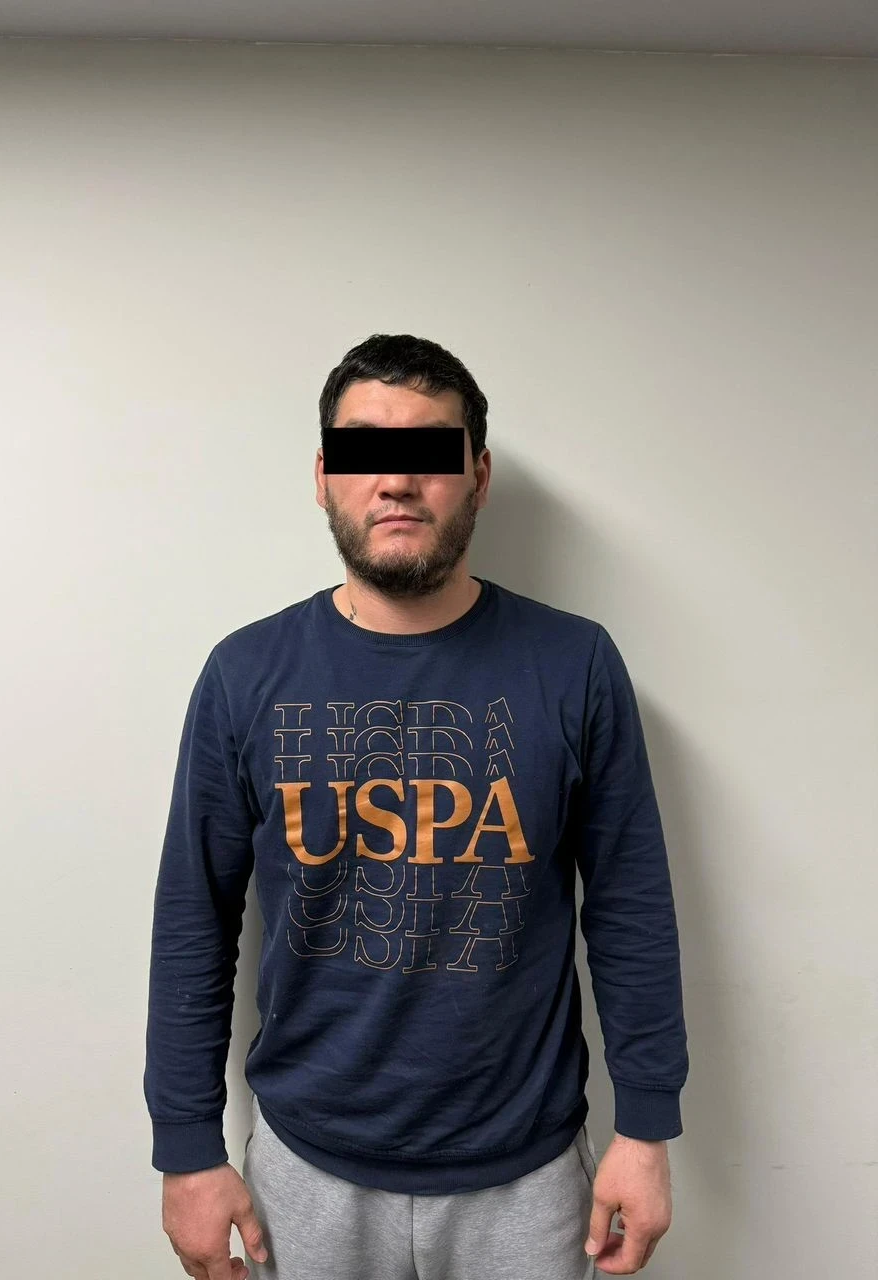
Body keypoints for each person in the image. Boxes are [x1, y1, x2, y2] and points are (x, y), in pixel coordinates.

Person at [145, 333, 689, 1280]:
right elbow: (195, 918)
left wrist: (646, 1128)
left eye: (430, 451)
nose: (395, 481)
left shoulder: (575, 665)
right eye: (363, 452)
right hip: (305, 1169)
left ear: (478, 475)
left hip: (527, 1173)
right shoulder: (246, 674)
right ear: (324, 477)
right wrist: (186, 1147)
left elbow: (630, 908)